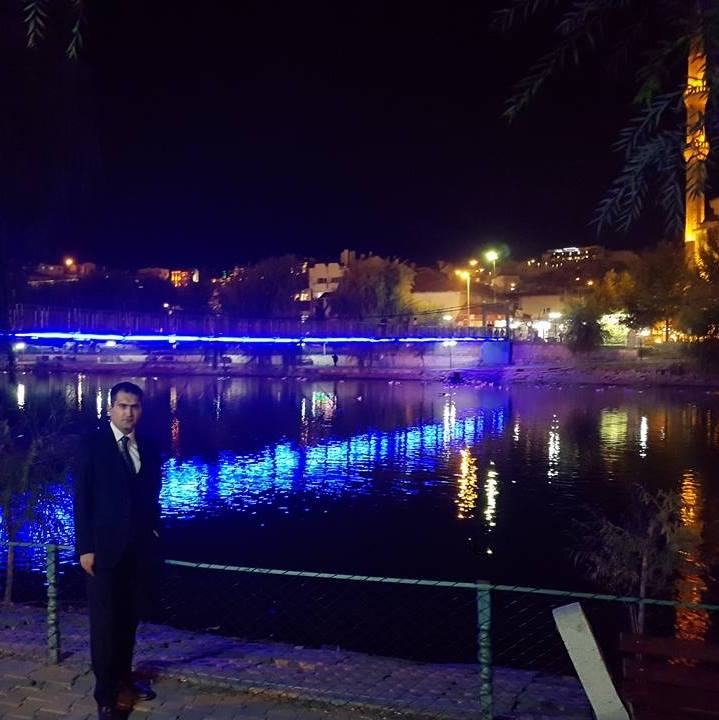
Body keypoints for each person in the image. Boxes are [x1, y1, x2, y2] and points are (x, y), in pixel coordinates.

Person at [74, 381, 163, 720]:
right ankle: (106, 695)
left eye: (135, 407)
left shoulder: (149, 447)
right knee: (104, 625)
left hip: (138, 550)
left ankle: (125, 680)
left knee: (128, 619)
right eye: (123, 406)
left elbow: (152, 496)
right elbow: (82, 500)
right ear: (110, 408)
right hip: (103, 551)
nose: (129, 413)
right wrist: (85, 547)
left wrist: (155, 533)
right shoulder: (92, 445)